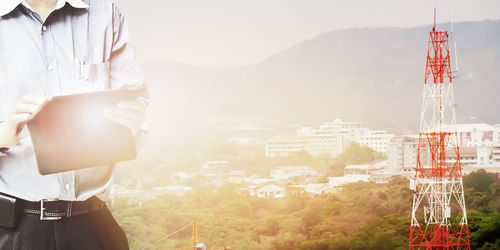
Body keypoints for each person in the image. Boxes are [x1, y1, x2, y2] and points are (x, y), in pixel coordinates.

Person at [0, 0, 147, 249]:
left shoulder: (105, 13)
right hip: (13, 229)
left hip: (94, 225)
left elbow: (137, 100)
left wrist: (133, 117)